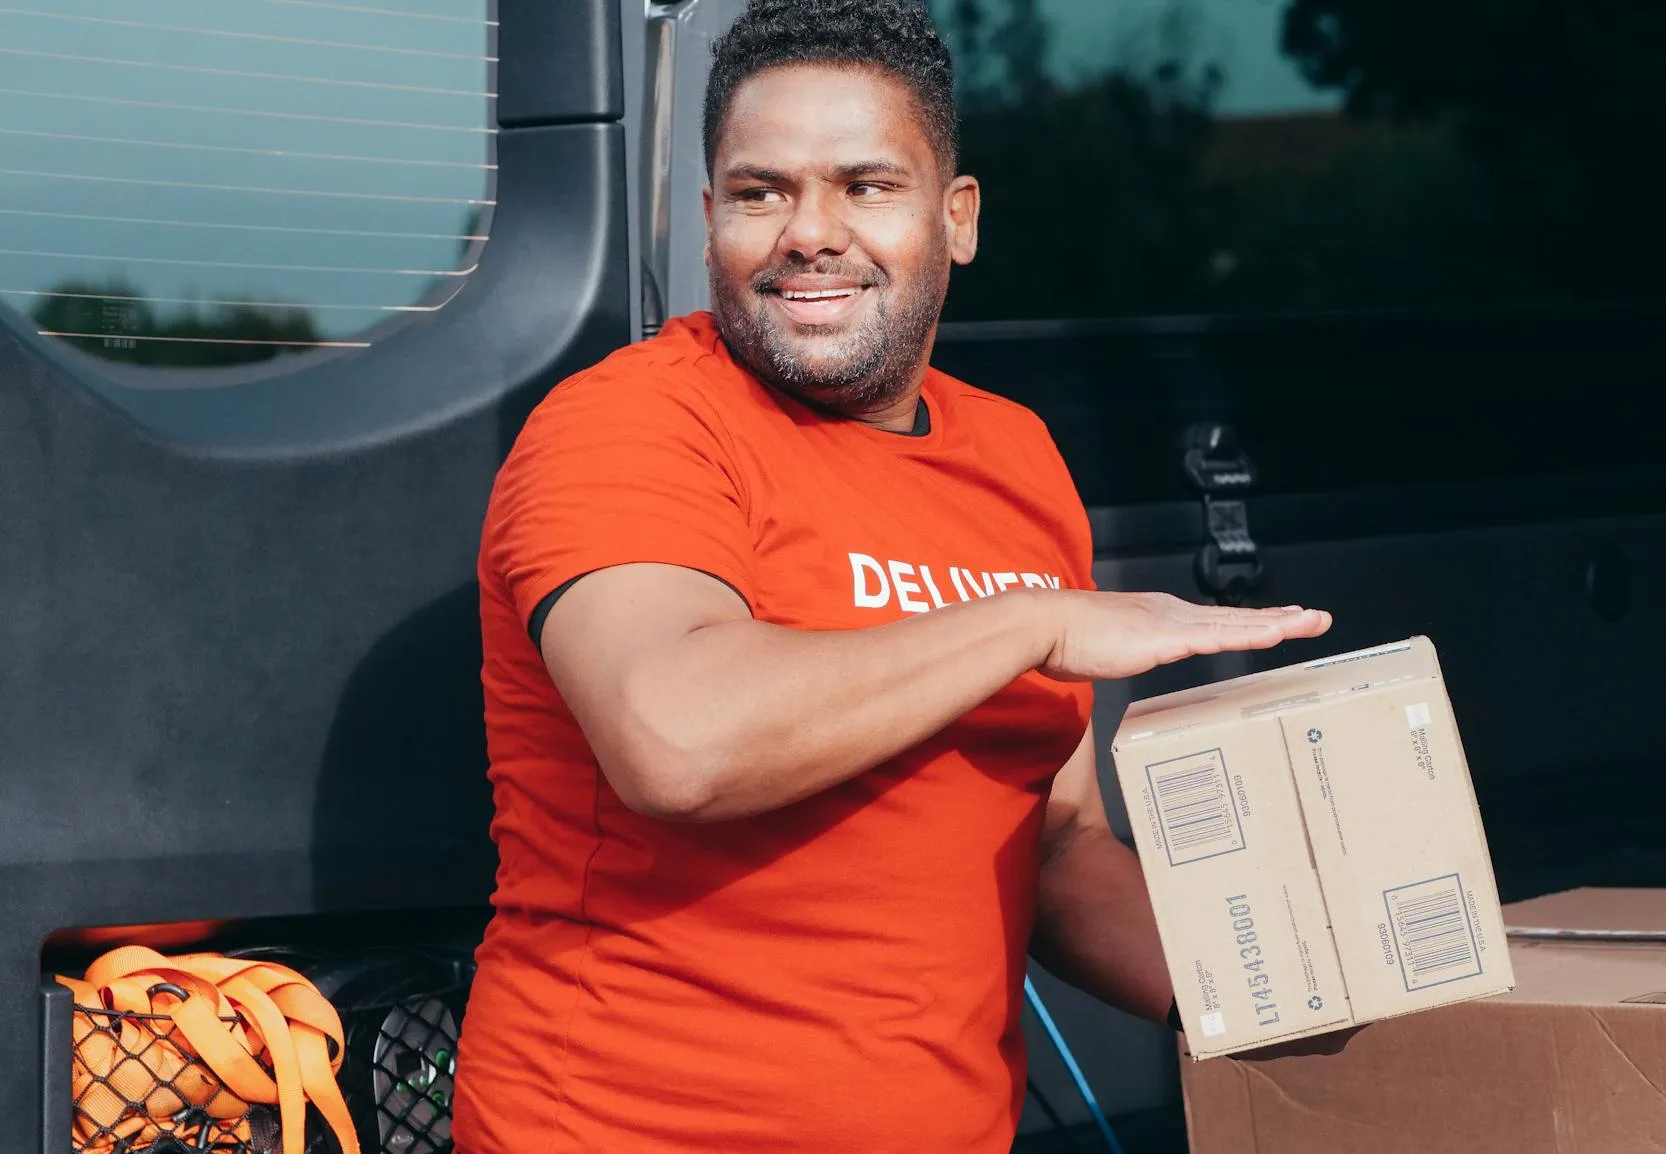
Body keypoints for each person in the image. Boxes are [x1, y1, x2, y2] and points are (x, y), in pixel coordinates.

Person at [452, 0, 1331, 1149]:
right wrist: (1025, 624)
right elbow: (676, 738)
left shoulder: (1013, 456)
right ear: (711, 216)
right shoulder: (628, 426)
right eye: (762, 193)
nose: (809, 232)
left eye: (866, 185)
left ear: (955, 218)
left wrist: (1295, 998)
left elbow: (1057, 848)